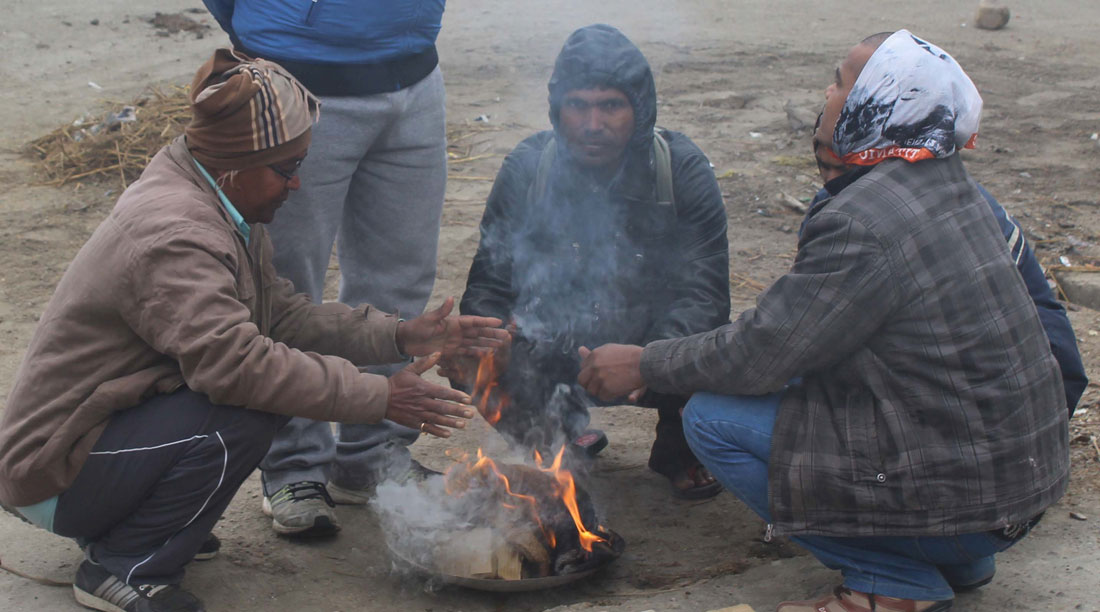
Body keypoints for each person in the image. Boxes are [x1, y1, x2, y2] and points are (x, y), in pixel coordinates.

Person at [577, 31, 1070, 611]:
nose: (826, 94)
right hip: (1018, 491)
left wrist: (644, 360)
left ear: (878, 101)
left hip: (974, 496)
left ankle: (889, 582)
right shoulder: (943, 179)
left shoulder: (864, 219)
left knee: (710, 417)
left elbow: (764, 350)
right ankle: (955, 558)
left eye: (840, 81)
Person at [0, 50, 504, 612]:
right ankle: (123, 566)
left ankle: (138, 525)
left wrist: (402, 336)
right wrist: (380, 396)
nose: (296, 186)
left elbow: (282, 317)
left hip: (91, 449)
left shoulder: (213, 196)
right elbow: (239, 367)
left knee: (256, 391)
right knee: (247, 407)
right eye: (287, 169)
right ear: (235, 169)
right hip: (55, 473)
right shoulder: (178, 235)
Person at [200, 0, 450, 536]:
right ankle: (295, 468)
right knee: (286, 285)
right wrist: (277, 28)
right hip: (296, 79)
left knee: (402, 279)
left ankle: (373, 455)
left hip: (414, 75)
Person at [451, 24, 731, 499]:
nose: (593, 123)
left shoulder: (680, 170)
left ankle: (680, 449)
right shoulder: (527, 166)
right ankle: (555, 444)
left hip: (650, 343)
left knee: (724, 351)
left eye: (610, 106)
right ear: (558, 109)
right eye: (578, 105)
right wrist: (491, 332)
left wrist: (650, 360)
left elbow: (705, 295)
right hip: (555, 342)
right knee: (469, 351)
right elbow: (490, 280)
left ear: (638, 110)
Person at [811, 119, 1088, 418]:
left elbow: (809, 338)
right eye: (824, 165)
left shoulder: (891, 215)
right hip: (1013, 398)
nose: (833, 181)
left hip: (1009, 406)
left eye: (843, 166)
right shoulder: (943, 189)